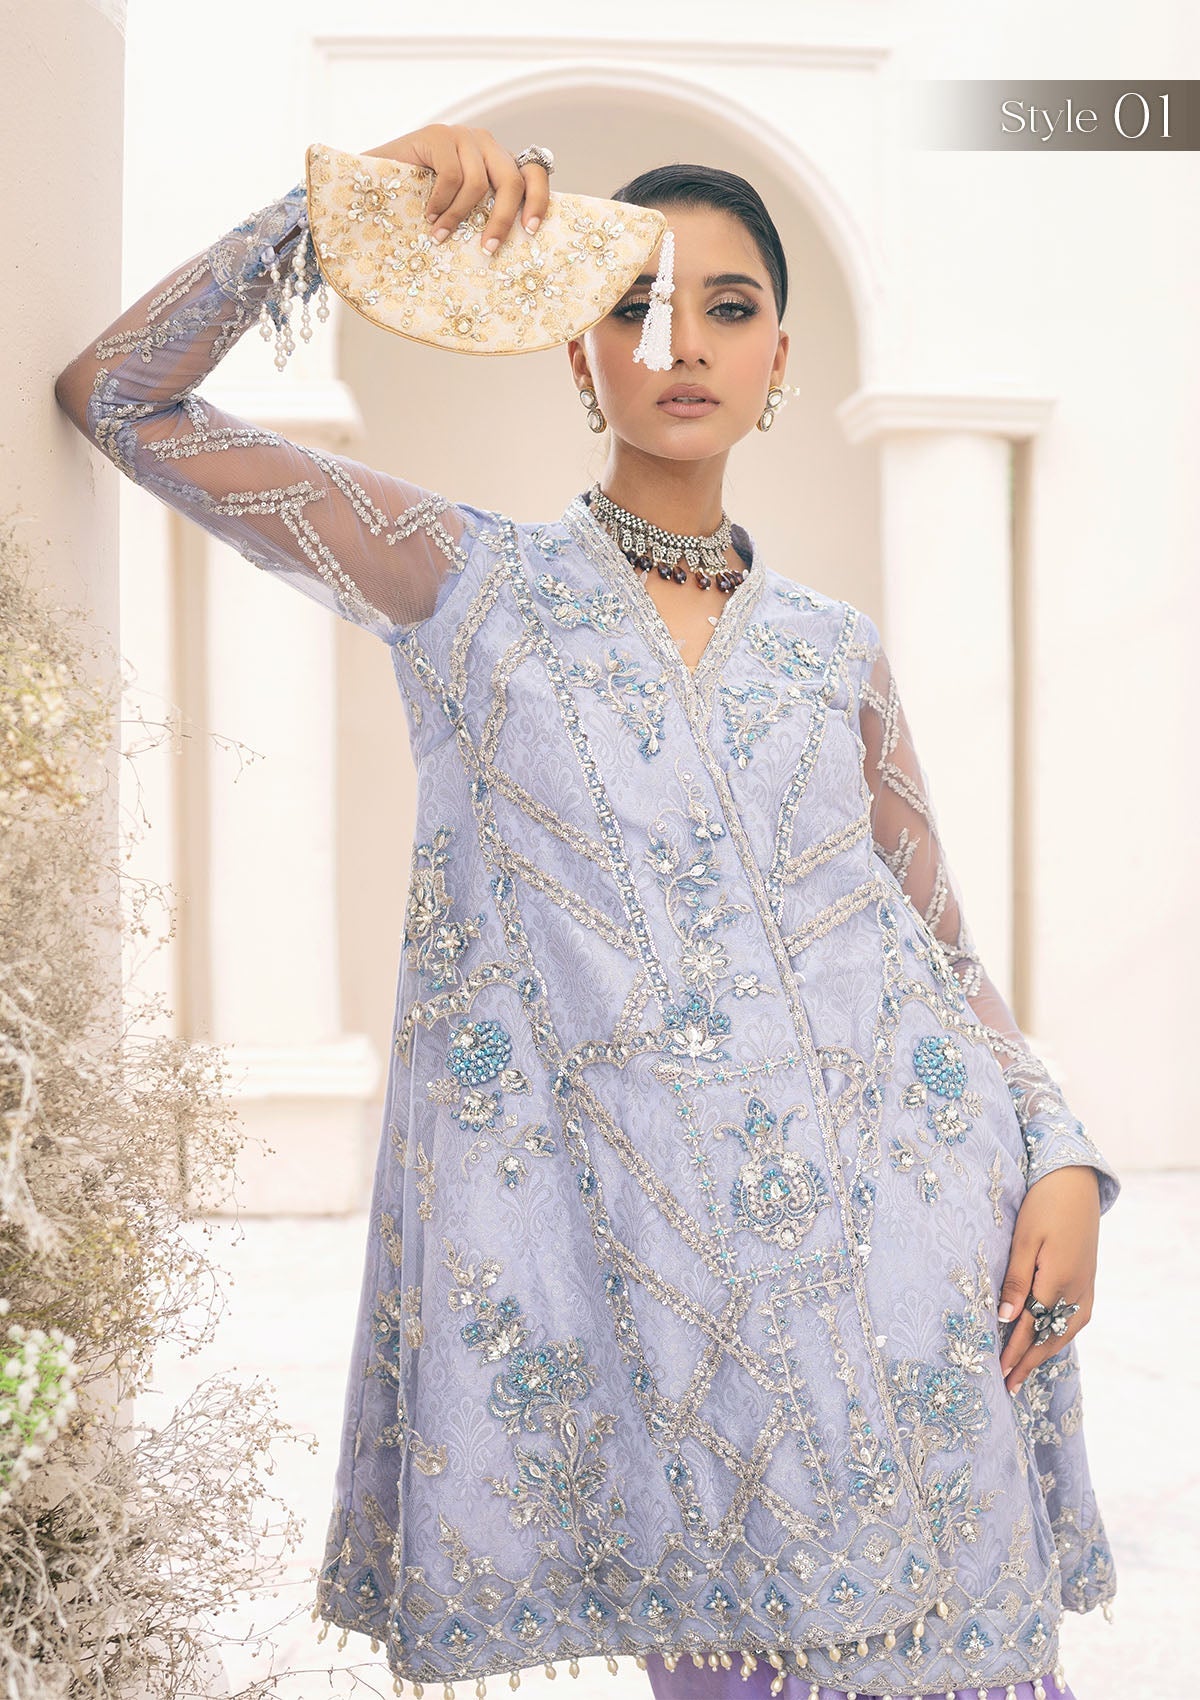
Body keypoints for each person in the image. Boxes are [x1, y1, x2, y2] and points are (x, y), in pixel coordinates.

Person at [54, 120, 1121, 1700]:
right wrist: (338, 212)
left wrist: (1063, 1156)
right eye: (635, 306)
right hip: (670, 1327)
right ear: (577, 353)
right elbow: (121, 398)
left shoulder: (833, 650)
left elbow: (933, 946)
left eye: (729, 309)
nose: (683, 345)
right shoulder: (466, 587)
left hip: (927, 1288)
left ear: (779, 361)